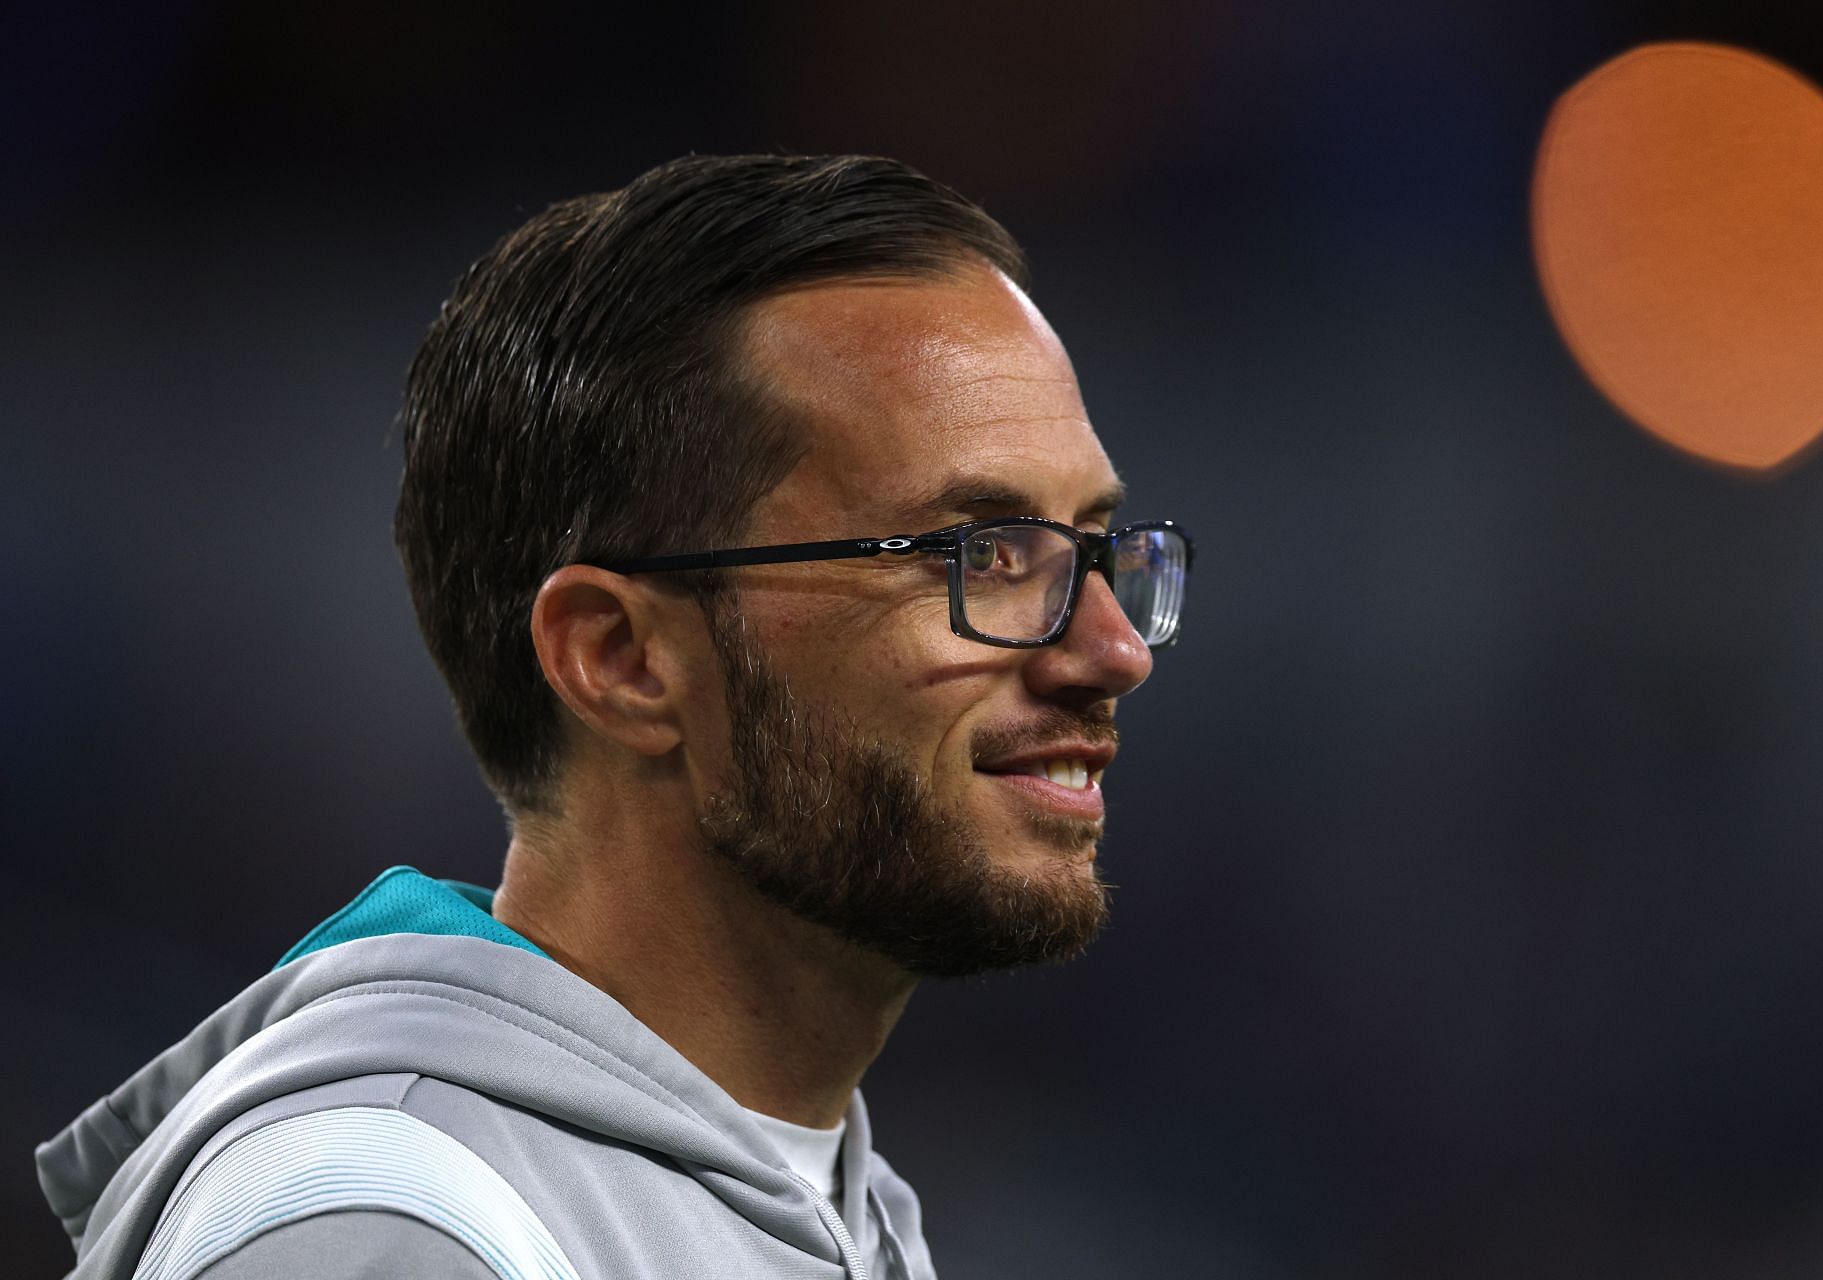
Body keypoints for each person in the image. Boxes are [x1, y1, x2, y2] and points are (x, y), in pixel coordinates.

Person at [37, 154, 1193, 1280]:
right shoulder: (388, 1231)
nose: (1113, 649)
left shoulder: (806, 1196)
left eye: (1095, 550)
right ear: (621, 656)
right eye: (982, 554)